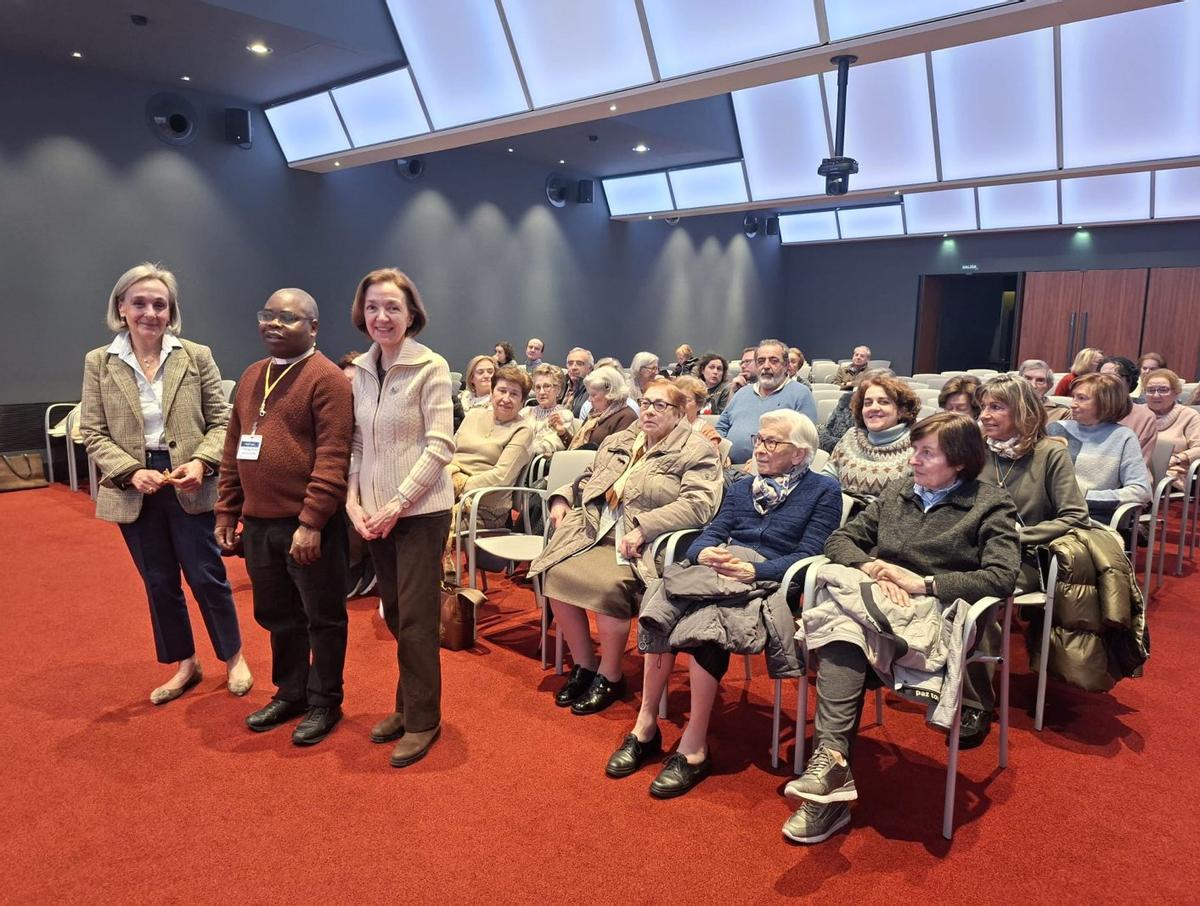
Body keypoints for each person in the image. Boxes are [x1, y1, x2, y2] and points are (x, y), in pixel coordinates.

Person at [782, 413, 1020, 845]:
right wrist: (873, 565)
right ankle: (830, 770)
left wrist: (924, 583)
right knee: (844, 628)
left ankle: (826, 787)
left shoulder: (991, 504)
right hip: (876, 599)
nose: (913, 460)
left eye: (927, 453)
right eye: (914, 449)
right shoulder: (898, 490)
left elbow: (1002, 578)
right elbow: (840, 540)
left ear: (960, 462)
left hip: (933, 610)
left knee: (840, 628)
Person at [608, 411, 841, 796]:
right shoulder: (742, 486)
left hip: (770, 580)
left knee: (708, 624)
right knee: (658, 602)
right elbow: (713, 531)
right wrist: (704, 554)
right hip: (720, 567)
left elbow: (812, 552)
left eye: (771, 442)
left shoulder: (823, 491)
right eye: (759, 439)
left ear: (799, 454)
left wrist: (755, 571)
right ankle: (645, 725)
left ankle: (694, 746)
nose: (760, 449)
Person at [80, 262, 252, 705]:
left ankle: (233, 658)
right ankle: (185, 665)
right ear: (121, 308)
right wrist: (129, 470)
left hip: (189, 483)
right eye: (139, 303)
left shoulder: (196, 355)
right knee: (159, 581)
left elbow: (222, 423)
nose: (150, 312)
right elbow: (94, 432)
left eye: (160, 304)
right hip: (134, 487)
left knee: (208, 576)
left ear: (171, 311)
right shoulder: (99, 362)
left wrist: (201, 462)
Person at [529, 379, 722, 715]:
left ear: (679, 413)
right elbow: (589, 476)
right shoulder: (621, 440)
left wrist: (645, 527)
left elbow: (699, 504)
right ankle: (586, 665)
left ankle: (611, 674)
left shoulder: (697, 450)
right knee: (554, 575)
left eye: (659, 405)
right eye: (645, 402)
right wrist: (562, 497)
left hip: (643, 544)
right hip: (595, 530)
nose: (648, 410)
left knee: (606, 589)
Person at [216, 288, 352, 746]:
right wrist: (227, 510)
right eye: (267, 315)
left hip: (308, 527)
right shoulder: (253, 375)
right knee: (277, 616)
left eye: (287, 318)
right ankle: (290, 692)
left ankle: (324, 701)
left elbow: (334, 458)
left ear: (313, 327)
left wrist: (312, 521)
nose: (273, 324)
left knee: (322, 618)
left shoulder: (328, 379)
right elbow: (233, 450)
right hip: (258, 525)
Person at [343, 269, 454, 767]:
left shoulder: (430, 367)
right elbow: (358, 444)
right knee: (393, 613)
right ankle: (404, 705)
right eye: (372, 307)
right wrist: (353, 501)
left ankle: (424, 719)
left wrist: (396, 504)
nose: (381, 317)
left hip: (421, 514)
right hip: (375, 516)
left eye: (391, 307)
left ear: (412, 314)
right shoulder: (361, 370)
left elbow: (439, 447)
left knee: (416, 620)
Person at [968, 375, 1090, 746]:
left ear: (1022, 411)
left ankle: (976, 703)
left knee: (979, 597)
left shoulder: (1050, 453)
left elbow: (1074, 516)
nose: (985, 415)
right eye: (983, 407)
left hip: (1024, 558)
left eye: (996, 407)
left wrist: (1018, 535)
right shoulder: (977, 451)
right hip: (973, 549)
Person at [1046, 373, 1152, 519]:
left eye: (1082, 398)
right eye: (1074, 397)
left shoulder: (1123, 437)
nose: (1072, 404)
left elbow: (1141, 491)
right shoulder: (1056, 428)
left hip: (1090, 517)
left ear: (1105, 403)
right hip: (1045, 512)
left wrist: (1083, 496)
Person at [448, 365, 534, 534]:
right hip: (449, 488)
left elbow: (500, 477)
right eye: (501, 390)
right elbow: (449, 451)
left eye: (514, 394)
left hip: (484, 506)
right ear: (492, 392)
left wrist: (456, 487)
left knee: (426, 527)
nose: (506, 398)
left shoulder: (523, 430)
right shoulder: (473, 415)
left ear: (522, 401)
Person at [717, 339, 818, 464]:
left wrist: (760, 463)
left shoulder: (801, 394)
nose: (766, 366)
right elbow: (721, 427)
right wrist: (722, 453)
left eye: (773, 361)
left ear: (786, 365)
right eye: (761, 361)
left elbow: (805, 442)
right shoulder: (743, 392)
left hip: (773, 473)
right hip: (728, 466)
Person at [825, 374, 920, 497]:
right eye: (868, 403)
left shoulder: (917, 445)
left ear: (901, 411)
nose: (874, 408)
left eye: (884, 402)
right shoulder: (851, 436)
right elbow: (828, 476)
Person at [337, 351, 375, 599]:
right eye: (345, 382)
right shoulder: (332, 408)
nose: (350, 388)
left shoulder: (370, 410)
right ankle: (351, 561)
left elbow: (361, 450)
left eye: (355, 382)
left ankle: (365, 560)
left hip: (370, 471)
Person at [1142, 368, 1200, 489]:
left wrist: (1177, 458)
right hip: (1136, 469)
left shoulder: (1189, 415)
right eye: (1150, 390)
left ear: (1176, 392)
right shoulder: (1137, 412)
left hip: (1171, 474)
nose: (1156, 395)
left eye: (1163, 390)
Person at [1099, 355, 1156, 465]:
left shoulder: (1144, 417)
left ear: (1129, 381)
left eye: (1112, 377)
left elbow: (1136, 464)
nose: (1104, 382)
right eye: (1100, 377)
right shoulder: (1086, 409)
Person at [568, 366, 639, 450]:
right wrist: (563, 434)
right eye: (589, 394)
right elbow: (578, 447)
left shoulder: (627, 417)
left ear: (610, 393)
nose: (589, 400)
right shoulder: (594, 413)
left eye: (593, 395)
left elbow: (616, 454)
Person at [522, 364, 578, 457]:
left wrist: (519, 448)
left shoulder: (564, 415)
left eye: (547, 386)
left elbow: (552, 445)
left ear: (558, 390)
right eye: (538, 387)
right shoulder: (525, 412)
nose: (542, 392)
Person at [673, 375, 722, 451]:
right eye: (676, 400)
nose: (680, 405)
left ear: (699, 405)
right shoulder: (666, 426)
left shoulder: (707, 432)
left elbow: (711, 459)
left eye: (686, 400)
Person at [560, 347, 593, 418]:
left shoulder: (593, 389)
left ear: (590, 368)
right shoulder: (560, 384)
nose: (573, 367)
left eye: (579, 364)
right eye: (570, 363)